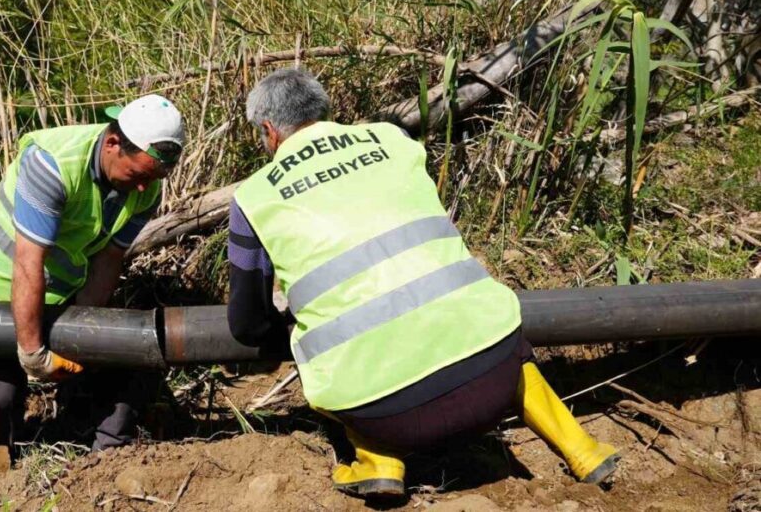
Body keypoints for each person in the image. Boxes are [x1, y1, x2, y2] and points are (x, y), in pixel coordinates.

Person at [226, 68, 618, 498]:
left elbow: (246, 324)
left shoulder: (254, 197)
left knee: (318, 343)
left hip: (387, 415)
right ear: (324, 110)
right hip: (495, 374)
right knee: (481, 313)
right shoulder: (391, 140)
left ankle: (379, 462)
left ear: (268, 130)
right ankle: (582, 448)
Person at [0, 94, 184, 455]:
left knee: (113, 370)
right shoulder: (51, 164)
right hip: (3, 282)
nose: (145, 187)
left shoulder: (146, 184)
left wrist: (85, 327)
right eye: (138, 175)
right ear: (113, 143)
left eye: (153, 177)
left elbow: (110, 259)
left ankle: (106, 458)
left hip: (65, 287)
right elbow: (28, 262)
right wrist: (33, 351)